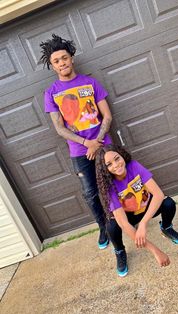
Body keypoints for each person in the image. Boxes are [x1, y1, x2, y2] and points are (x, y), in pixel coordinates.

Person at [40, 34, 112, 249]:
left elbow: (107, 116)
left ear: (72, 58)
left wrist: (96, 142)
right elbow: (59, 128)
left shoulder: (90, 83)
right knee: (90, 193)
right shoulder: (51, 93)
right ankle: (103, 227)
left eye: (64, 58)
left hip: (103, 145)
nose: (61, 63)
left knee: (112, 184)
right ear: (53, 66)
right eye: (56, 61)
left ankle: (121, 220)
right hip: (78, 152)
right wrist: (85, 143)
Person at [95, 144, 178, 277]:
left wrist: (143, 224)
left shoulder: (133, 166)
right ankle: (119, 251)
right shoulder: (108, 186)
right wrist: (155, 251)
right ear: (105, 169)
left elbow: (158, 194)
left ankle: (166, 227)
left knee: (168, 203)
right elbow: (124, 223)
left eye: (117, 158)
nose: (116, 165)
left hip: (145, 207)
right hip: (129, 216)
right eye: (109, 164)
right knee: (112, 226)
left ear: (122, 156)